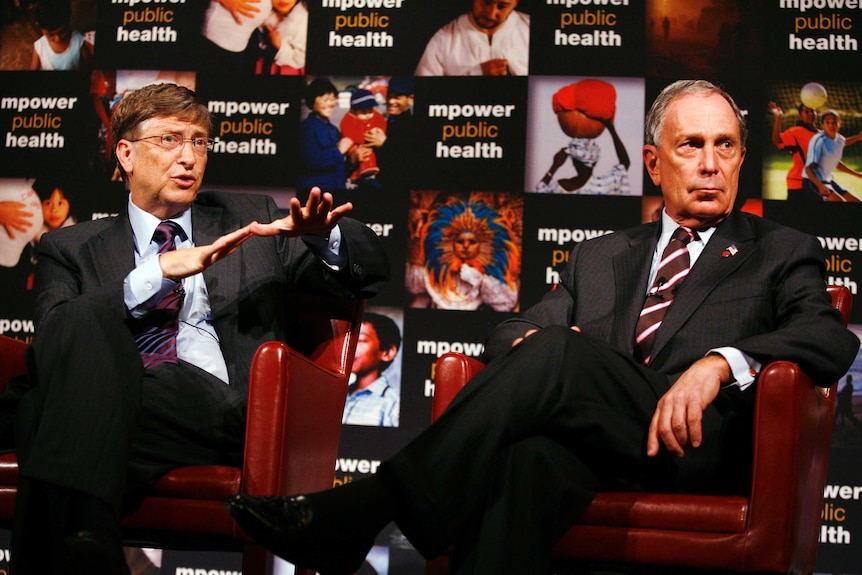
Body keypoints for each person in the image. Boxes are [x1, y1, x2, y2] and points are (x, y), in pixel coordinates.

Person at [225, 80, 860, 575]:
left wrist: (719, 362)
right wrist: (542, 354)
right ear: (653, 162)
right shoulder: (602, 254)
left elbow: (829, 337)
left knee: (558, 353)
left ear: (743, 157)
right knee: (525, 460)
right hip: (599, 447)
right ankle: (373, 514)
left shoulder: (781, 249)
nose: (711, 163)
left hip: (697, 450)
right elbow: (512, 335)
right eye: (690, 146)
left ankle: (369, 507)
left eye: (725, 146)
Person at [7, 82, 389, 575]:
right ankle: (90, 541)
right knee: (79, 367)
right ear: (125, 154)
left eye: (199, 141)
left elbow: (371, 269)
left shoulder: (249, 221)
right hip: (128, 412)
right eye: (169, 140)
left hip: (224, 411)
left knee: (38, 407)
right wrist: (152, 276)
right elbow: (53, 338)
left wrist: (326, 235)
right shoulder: (70, 246)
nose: (188, 156)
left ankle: (89, 547)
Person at [537, 79, 632, 195]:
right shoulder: (603, 185)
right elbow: (624, 163)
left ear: (572, 161)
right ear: (594, 162)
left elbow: (540, 188)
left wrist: (554, 166)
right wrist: (611, 128)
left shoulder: (559, 187)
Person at [414, 0, 529, 76]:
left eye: (502, 6)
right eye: (486, 2)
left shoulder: (532, 29)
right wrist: (476, 73)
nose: (491, 13)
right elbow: (425, 92)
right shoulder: (443, 39)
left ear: (516, 3)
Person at [297, 78, 367, 195]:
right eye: (325, 100)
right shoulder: (306, 128)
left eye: (333, 99)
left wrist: (352, 161)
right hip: (316, 192)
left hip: (337, 189)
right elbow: (310, 161)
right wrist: (339, 150)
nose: (330, 104)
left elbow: (338, 167)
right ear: (312, 102)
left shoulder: (333, 129)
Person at [342, 312, 401, 428]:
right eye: (349, 338)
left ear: (387, 352)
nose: (350, 346)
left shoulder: (392, 403)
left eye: (361, 340)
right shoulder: (340, 394)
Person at [802, 109, 862, 202]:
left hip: (828, 181)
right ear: (822, 125)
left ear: (840, 124)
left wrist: (858, 137)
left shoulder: (839, 139)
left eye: (834, 122)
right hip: (813, 182)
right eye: (827, 122)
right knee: (840, 204)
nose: (831, 125)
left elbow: (838, 158)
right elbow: (808, 169)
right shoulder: (818, 140)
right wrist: (820, 186)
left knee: (856, 202)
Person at [767, 101, 818, 201]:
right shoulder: (795, 132)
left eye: (812, 111)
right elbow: (777, 140)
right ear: (800, 116)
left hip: (818, 181)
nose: (810, 114)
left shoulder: (821, 134)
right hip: (798, 181)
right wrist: (778, 117)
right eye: (806, 112)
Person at [370, 76, 415, 190]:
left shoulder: (412, 125)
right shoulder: (384, 120)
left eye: (397, 97)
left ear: (410, 99)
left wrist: (385, 144)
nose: (390, 101)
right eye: (389, 95)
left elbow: (408, 161)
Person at [339, 89, 386, 191]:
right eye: (364, 112)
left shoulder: (377, 116)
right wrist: (362, 139)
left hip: (370, 144)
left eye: (370, 111)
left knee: (370, 154)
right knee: (361, 154)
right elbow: (348, 132)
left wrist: (378, 132)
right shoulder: (348, 119)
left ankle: (369, 172)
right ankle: (361, 175)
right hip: (355, 144)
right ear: (353, 111)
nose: (368, 115)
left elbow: (382, 123)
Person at [29, 0, 93, 71]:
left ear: (68, 22)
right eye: (51, 35)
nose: (58, 39)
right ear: (40, 28)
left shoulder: (79, 41)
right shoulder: (39, 47)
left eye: (62, 32)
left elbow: (89, 66)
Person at [255, 0, 308, 75]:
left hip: (290, 71)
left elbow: (301, 58)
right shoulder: (265, 13)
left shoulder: (303, 20)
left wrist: (279, 46)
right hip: (264, 66)